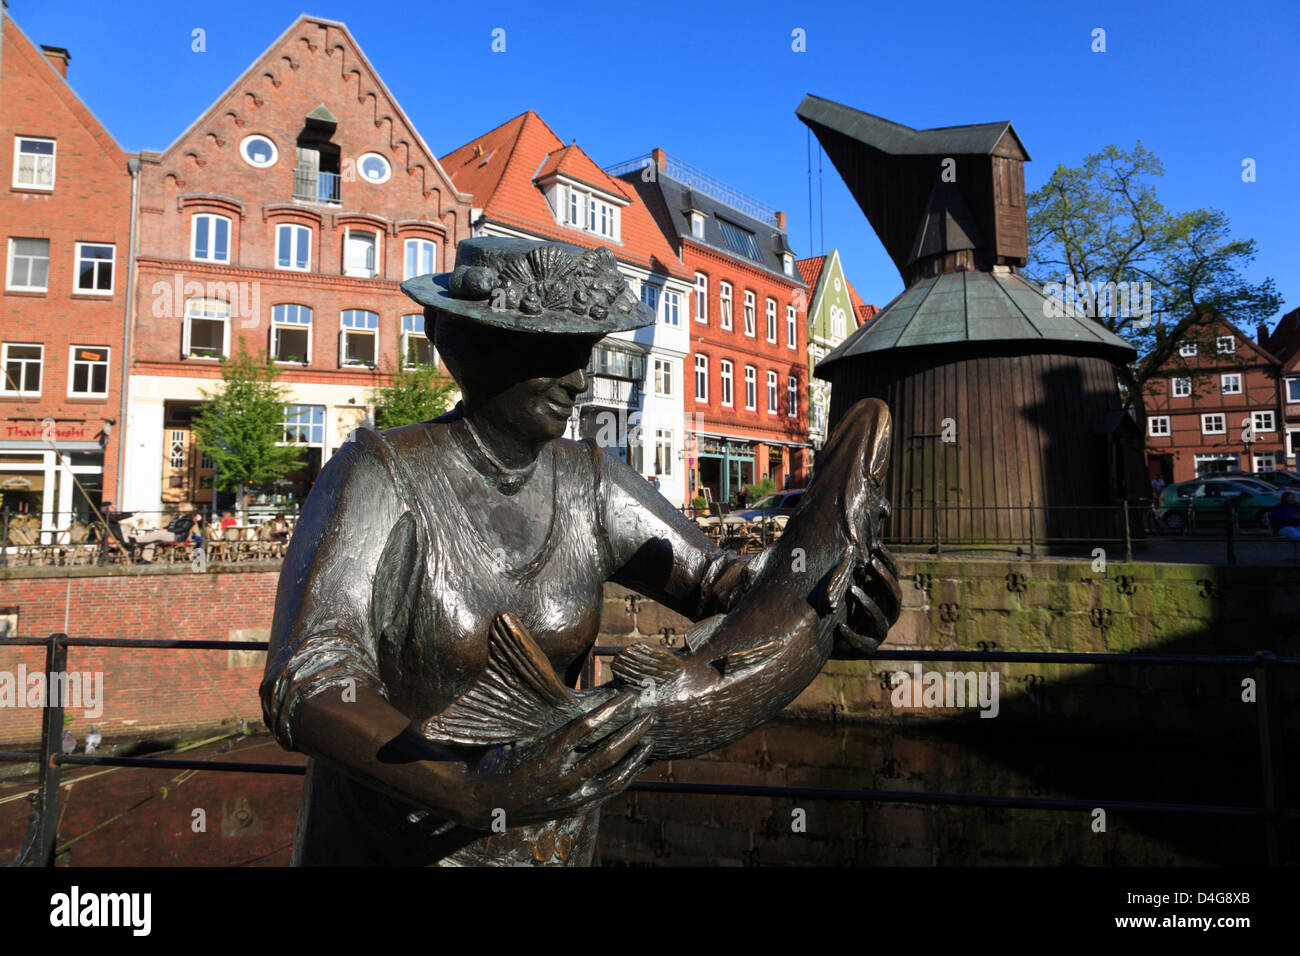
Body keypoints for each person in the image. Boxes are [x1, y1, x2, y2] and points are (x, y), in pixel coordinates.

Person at [261, 237, 902, 866]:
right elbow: (312, 680)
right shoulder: (380, 472)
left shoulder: (588, 480)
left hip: (549, 845)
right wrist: (466, 787)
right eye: (556, 353)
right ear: (478, 349)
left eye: (586, 351)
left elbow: (727, 585)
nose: (580, 378)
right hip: (398, 844)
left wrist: (832, 600)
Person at [134, 510, 201, 563]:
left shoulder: (189, 519)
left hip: (178, 537)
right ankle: (146, 559)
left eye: (180, 508)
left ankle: (134, 540)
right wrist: (164, 529)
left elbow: (183, 529)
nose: (178, 509)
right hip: (170, 534)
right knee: (151, 539)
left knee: (157, 535)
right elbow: (170, 526)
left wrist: (167, 530)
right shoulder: (177, 518)